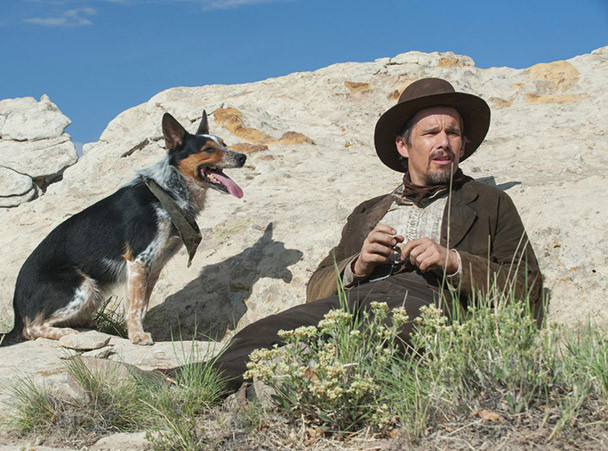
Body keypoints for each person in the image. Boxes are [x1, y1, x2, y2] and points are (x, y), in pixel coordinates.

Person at [166, 78, 543, 392]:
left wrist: (453, 262)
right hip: (355, 301)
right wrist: (357, 265)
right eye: (431, 133)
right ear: (403, 145)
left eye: (453, 133)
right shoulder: (369, 211)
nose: (444, 142)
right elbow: (316, 286)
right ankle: (181, 386)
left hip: (430, 306)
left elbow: (527, 287)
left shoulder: (490, 202)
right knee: (265, 332)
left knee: (364, 341)